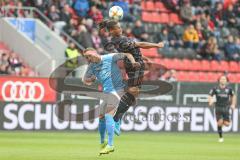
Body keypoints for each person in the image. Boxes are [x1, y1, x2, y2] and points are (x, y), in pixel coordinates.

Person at [99, 19, 164, 136]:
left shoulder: (121, 39)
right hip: (135, 66)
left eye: (120, 27)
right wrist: (156, 45)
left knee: (133, 94)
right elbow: (140, 45)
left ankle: (118, 116)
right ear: (112, 31)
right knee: (133, 93)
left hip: (135, 64)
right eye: (118, 27)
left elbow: (133, 50)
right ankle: (116, 119)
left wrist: (144, 58)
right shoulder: (120, 41)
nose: (120, 29)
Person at [82, 48, 139, 155]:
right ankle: (102, 141)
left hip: (117, 90)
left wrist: (133, 62)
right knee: (101, 116)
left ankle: (111, 145)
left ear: (94, 52)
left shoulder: (109, 57)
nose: (89, 58)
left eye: (89, 55)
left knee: (108, 115)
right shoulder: (91, 67)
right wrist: (91, 80)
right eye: (86, 57)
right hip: (106, 92)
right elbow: (85, 80)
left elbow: (127, 54)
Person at [208, 75, 236, 143]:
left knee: (227, 124)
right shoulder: (215, 88)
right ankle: (220, 137)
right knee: (220, 122)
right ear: (219, 80)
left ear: (226, 81)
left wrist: (233, 104)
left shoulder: (229, 89)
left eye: (224, 79)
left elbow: (233, 96)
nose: (223, 80)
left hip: (226, 108)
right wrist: (210, 101)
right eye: (222, 79)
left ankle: (220, 124)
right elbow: (210, 95)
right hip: (218, 108)